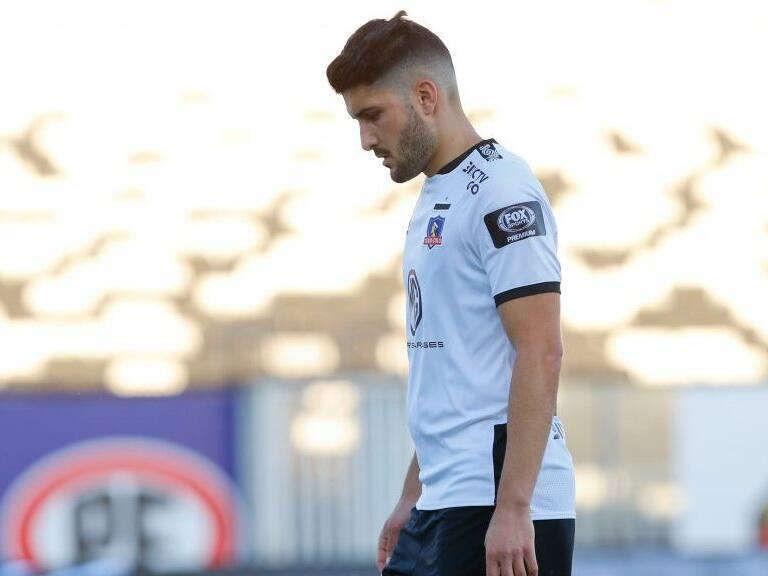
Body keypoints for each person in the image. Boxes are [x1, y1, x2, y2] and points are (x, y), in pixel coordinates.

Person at [327, 11, 575, 576]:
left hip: (496, 505)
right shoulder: (439, 193)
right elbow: (456, 369)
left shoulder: (502, 190)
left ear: (425, 95)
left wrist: (514, 509)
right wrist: (414, 494)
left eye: (372, 115)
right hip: (447, 498)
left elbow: (542, 350)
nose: (366, 139)